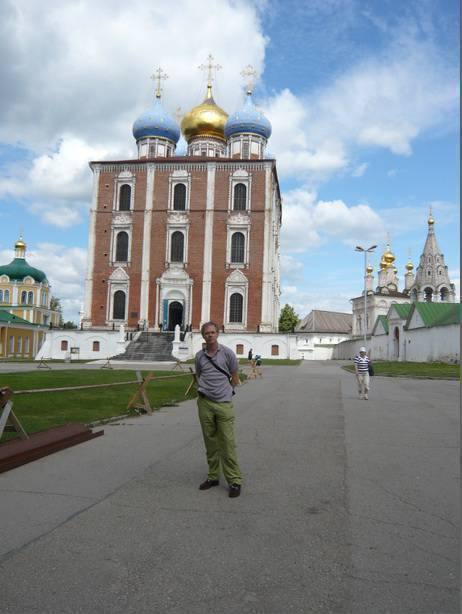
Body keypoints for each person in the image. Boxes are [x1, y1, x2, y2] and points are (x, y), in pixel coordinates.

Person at [195, 321, 243, 498]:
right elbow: (199, 375)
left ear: (217, 334)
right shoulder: (200, 356)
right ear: (203, 336)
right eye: (207, 333)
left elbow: (235, 377)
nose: (210, 335)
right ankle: (213, 476)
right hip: (205, 403)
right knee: (210, 443)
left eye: (213, 332)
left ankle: (235, 481)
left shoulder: (228, 353)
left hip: (223, 404)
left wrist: (224, 392)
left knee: (227, 444)